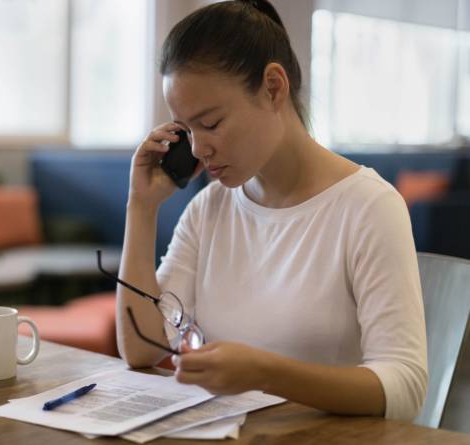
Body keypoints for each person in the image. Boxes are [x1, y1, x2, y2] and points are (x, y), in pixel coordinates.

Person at [115, 0, 427, 421]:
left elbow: (404, 387)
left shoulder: (368, 206)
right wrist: (141, 207)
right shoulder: (211, 208)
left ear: (274, 87)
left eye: (211, 123)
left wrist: (265, 372)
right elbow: (142, 348)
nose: (198, 149)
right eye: (187, 130)